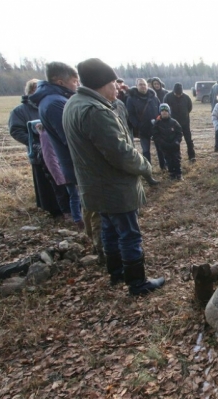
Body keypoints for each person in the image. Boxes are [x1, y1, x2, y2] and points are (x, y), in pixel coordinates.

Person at [63, 58, 164, 296]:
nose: (117, 88)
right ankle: (137, 282)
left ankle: (117, 272)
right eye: (112, 83)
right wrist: (145, 166)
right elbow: (120, 153)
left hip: (94, 186)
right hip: (113, 187)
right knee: (129, 233)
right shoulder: (95, 111)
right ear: (100, 83)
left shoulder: (74, 103)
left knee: (108, 229)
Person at [29, 62, 84, 229]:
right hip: (75, 163)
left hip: (72, 162)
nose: (77, 85)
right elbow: (71, 138)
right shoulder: (55, 103)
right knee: (80, 198)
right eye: (75, 81)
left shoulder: (53, 100)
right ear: (60, 82)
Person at [8, 79, 68, 218]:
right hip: (39, 153)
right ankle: (53, 210)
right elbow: (16, 130)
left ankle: (69, 209)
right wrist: (35, 143)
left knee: (63, 181)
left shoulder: (48, 106)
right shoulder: (20, 111)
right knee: (46, 185)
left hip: (58, 151)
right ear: (30, 92)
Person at [126, 78, 166, 173]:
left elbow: (159, 110)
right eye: (140, 84)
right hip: (142, 129)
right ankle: (148, 170)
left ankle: (163, 166)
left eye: (144, 84)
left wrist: (159, 122)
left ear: (147, 86)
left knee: (160, 148)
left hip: (155, 128)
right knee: (146, 150)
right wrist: (137, 125)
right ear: (136, 86)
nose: (143, 86)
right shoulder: (131, 99)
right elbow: (130, 114)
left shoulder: (153, 97)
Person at [164, 83, 195, 162]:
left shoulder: (186, 97)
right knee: (174, 140)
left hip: (185, 122)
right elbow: (165, 109)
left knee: (189, 140)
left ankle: (192, 156)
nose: (178, 96)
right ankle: (176, 156)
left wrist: (184, 115)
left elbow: (189, 108)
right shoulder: (168, 97)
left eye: (180, 94)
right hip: (172, 123)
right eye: (176, 94)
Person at [152, 104, 184, 180]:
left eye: (166, 111)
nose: (164, 112)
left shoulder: (174, 122)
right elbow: (155, 135)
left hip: (174, 145)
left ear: (169, 112)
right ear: (160, 112)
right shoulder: (157, 124)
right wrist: (162, 143)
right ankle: (171, 174)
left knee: (176, 159)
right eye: (162, 111)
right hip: (164, 146)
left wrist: (176, 141)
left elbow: (179, 133)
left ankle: (178, 173)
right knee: (168, 160)